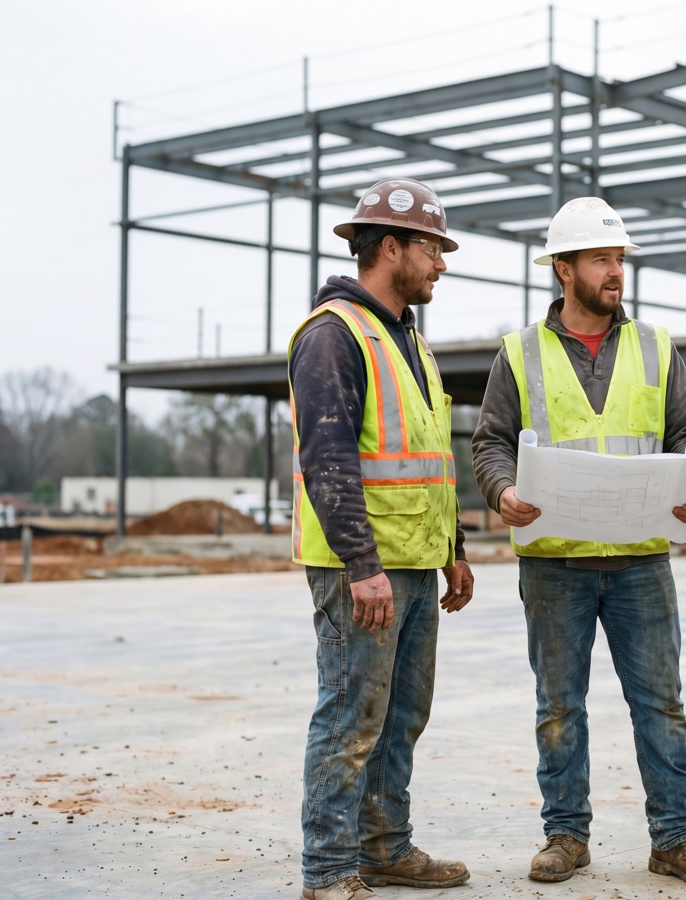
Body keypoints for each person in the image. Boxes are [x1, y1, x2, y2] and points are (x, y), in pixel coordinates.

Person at [470, 197, 686, 890]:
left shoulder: (655, 345)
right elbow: (490, 442)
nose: (616, 272)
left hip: (642, 561)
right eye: (601, 260)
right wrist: (502, 494)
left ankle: (675, 838)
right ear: (564, 270)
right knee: (559, 707)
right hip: (554, 564)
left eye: (619, 259)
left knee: (662, 704)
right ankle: (566, 836)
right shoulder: (519, 354)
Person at [289, 177, 474, 900]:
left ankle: (384, 847)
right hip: (361, 569)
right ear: (389, 247)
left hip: (415, 564)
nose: (441, 264)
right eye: (432, 248)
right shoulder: (336, 334)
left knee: (400, 714)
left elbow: (426, 454)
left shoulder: (405, 339)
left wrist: (451, 550)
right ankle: (330, 870)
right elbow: (327, 457)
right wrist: (363, 566)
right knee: (350, 714)